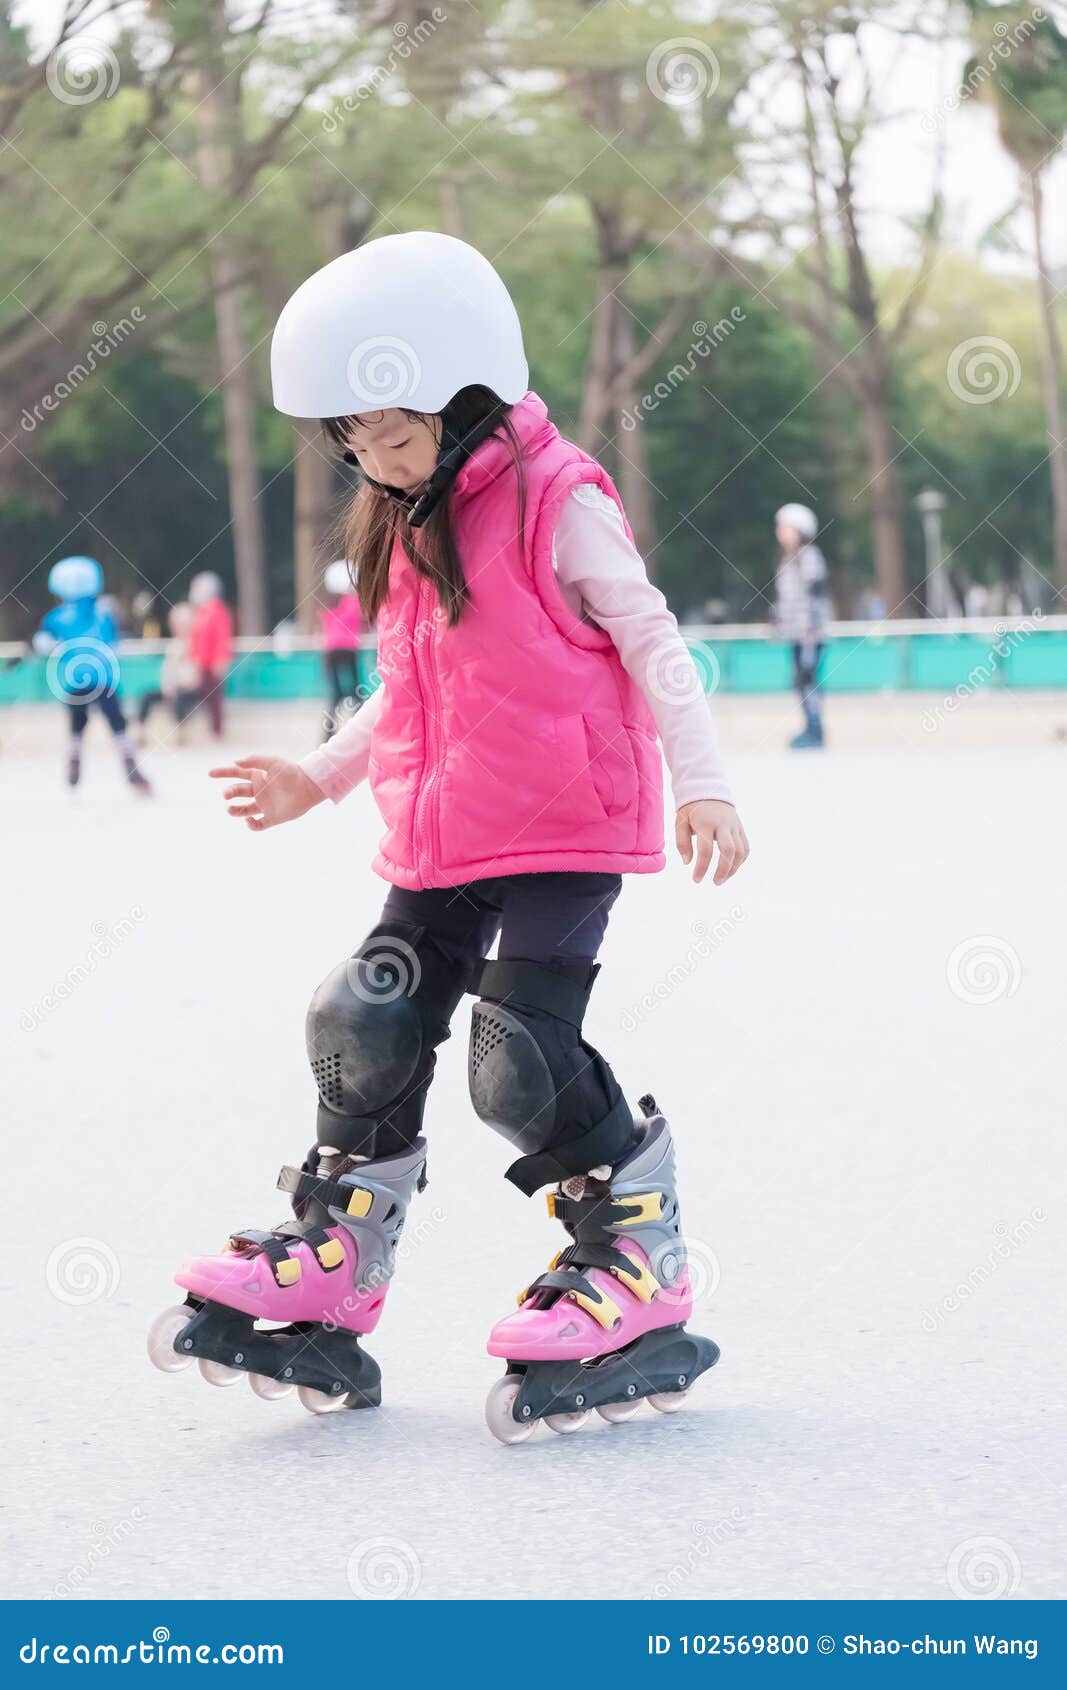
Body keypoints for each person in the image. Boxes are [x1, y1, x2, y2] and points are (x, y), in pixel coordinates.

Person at [149, 233, 748, 1434]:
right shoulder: (408, 516)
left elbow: (651, 639)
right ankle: (335, 1255)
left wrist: (705, 782)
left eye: (391, 431)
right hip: (447, 829)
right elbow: (411, 690)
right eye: (352, 441)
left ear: (467, 394)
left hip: (565, 828)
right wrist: (320, 777)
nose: (371, 459)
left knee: (516, 1058)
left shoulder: (557, 498)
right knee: (358, 1018)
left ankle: (637, 1256)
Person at [33, 556, 152, 794]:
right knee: (117, 723)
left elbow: (43, 642)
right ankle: (131, 768)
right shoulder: (104, 614)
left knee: (77, 723)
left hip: (74, 679)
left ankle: (74, 756)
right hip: (104, 678)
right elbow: (115, 642)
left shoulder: (57, 617)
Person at [773, 502, 831, 750]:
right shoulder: (789, 560)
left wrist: (809, 633)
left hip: (810, 634)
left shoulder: (809, 558)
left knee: (807, 679)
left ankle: (815, 729)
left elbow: (812, 598)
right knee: (800, 681)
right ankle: (809, 725)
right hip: (796, 632)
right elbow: (787, 599)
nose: (780, 532)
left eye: (785, 527)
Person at [137, 602, 199, 742]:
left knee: (182, 697)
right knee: (147, 695)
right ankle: (140, 731)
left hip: (188, 689)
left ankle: (181, 733)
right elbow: (167, 670)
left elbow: (195, 673)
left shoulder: (196, 645)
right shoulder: (173, 646)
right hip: (171, 688)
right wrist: (168, 686)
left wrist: (182, 684)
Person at [320, 558, 363, 738]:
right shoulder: (353, 602)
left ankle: (327, 736)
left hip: (330, 652)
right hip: (348, 651)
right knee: (356, 693)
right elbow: (364, 618)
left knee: (335, 695)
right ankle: (360, 732)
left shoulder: (326, 604)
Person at [187, 572, 233, 740]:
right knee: (204, 695)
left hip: (212, 664)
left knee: (214, 697)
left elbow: (222, 637)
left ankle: (216, 731)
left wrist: (221, 660)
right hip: (202, 664)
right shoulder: (201, 612)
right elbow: (196, 640)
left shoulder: (217, 610)